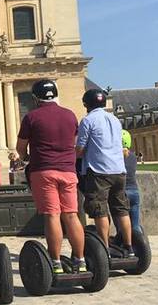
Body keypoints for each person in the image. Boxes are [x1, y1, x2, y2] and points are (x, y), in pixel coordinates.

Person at [16, 79, 86, 274]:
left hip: (44, 171)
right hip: (68, 171)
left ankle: (55, 262)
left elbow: (20, 148)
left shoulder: (31, 117)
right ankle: (80, 260)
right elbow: (72, 141)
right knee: (72, 215)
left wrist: (27, 156)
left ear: (35, 98)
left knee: (52, 215)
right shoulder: (70, 115)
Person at [76, 89, 134, 256]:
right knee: (121, 209)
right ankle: (129, 247)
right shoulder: (115, 120)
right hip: (119, 171)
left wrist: (73, 154)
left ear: (87, 104)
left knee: (99, 209)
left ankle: (105, 248)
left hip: (99, 171)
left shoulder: (88, 120)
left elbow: (80, 149)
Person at [121, 129, 142, 233]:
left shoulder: (115, 157)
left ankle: (124, 245)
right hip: (134, 191)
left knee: (121, 225)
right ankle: (139, 245)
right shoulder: (133, 156)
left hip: (122, 192)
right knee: (135, 225)